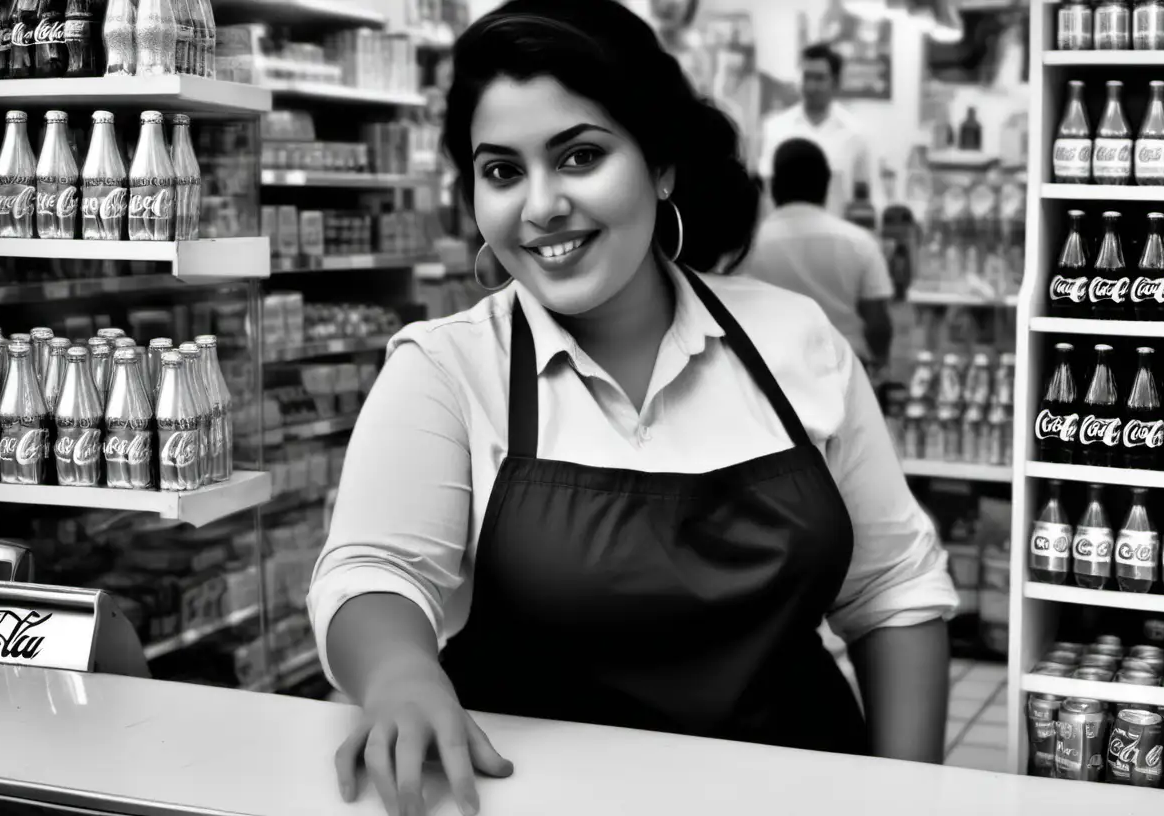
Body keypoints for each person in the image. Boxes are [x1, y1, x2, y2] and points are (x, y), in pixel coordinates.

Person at [309, 2, 957, 815]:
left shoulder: (794, 340)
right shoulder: (447, 368)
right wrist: (401, 672)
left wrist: (906, 796)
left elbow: (893, 591)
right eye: (503, 171)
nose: (540, 206)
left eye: (579, 156)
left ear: (660, 164)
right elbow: (373, 571)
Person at [741, 137, 893, 375]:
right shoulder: (859, 243)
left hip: (771, 375)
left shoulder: (749, 246)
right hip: (845, 374)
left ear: (775, 186)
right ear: (826, 184)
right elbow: (877, 322)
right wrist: (880, 364)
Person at [757, 43, 874, 222]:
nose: (811, 86)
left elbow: (865, 200)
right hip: (785, 236)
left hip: (837, 239)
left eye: (819, 78)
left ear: (835, 82)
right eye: (806, 77)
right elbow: (765, 192)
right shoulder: (776, 129)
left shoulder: (855, 134)